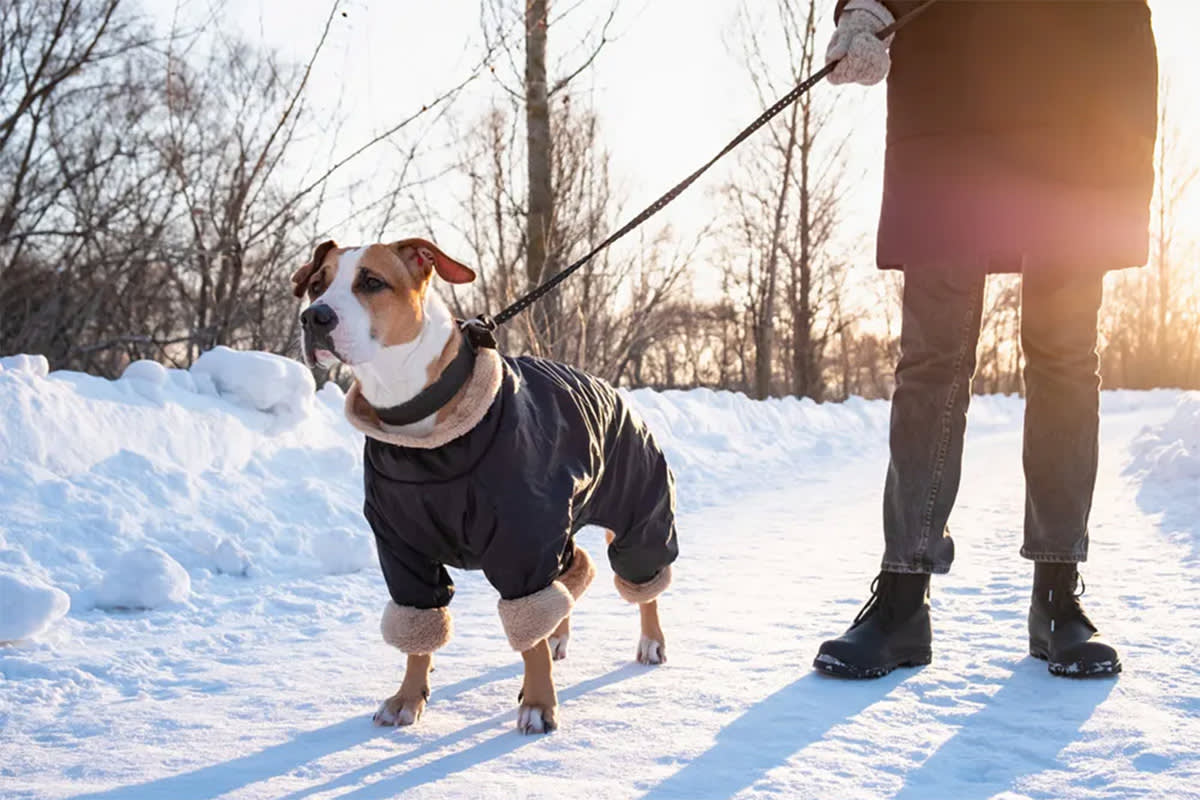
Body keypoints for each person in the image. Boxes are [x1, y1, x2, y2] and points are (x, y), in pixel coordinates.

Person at [813, 0, 1158, 679]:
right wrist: (864, 8)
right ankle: (903, 598)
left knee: (1064, 354)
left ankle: (1057, 597)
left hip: (1079, 96)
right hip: (952, 92)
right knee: (930, 357)